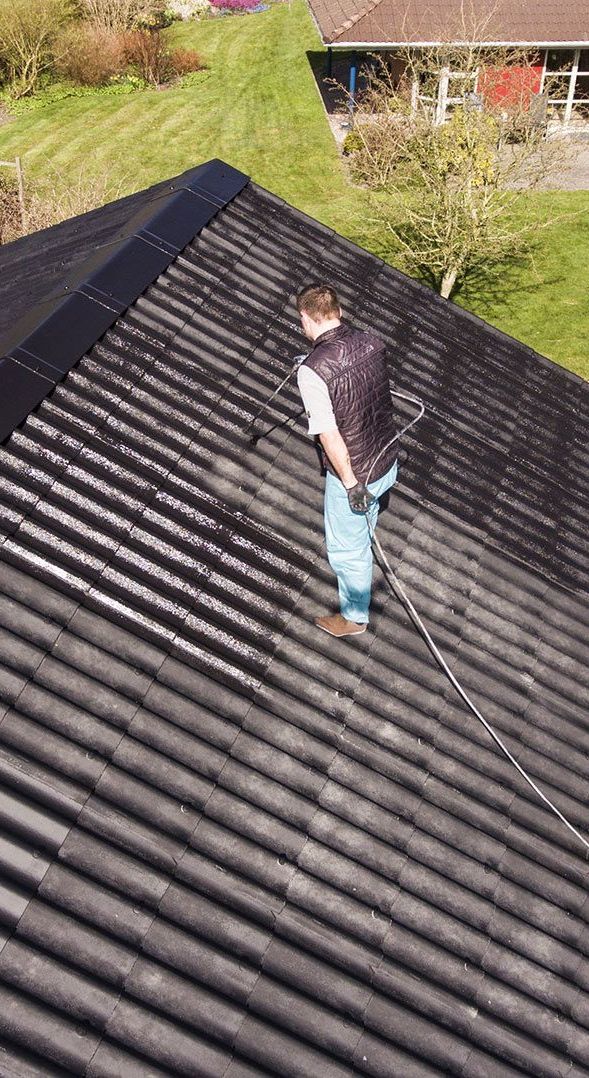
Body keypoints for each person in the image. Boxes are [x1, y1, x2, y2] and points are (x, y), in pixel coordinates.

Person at [296, 283, 398, 638]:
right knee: (364, 525)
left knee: (347, 550)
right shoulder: (371, 341)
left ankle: (354, 618)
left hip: (357, 475)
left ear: (305, 318)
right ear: (338, 312)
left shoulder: (313, 372)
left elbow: (329, 434)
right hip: (387, 457)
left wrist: (352, 485)